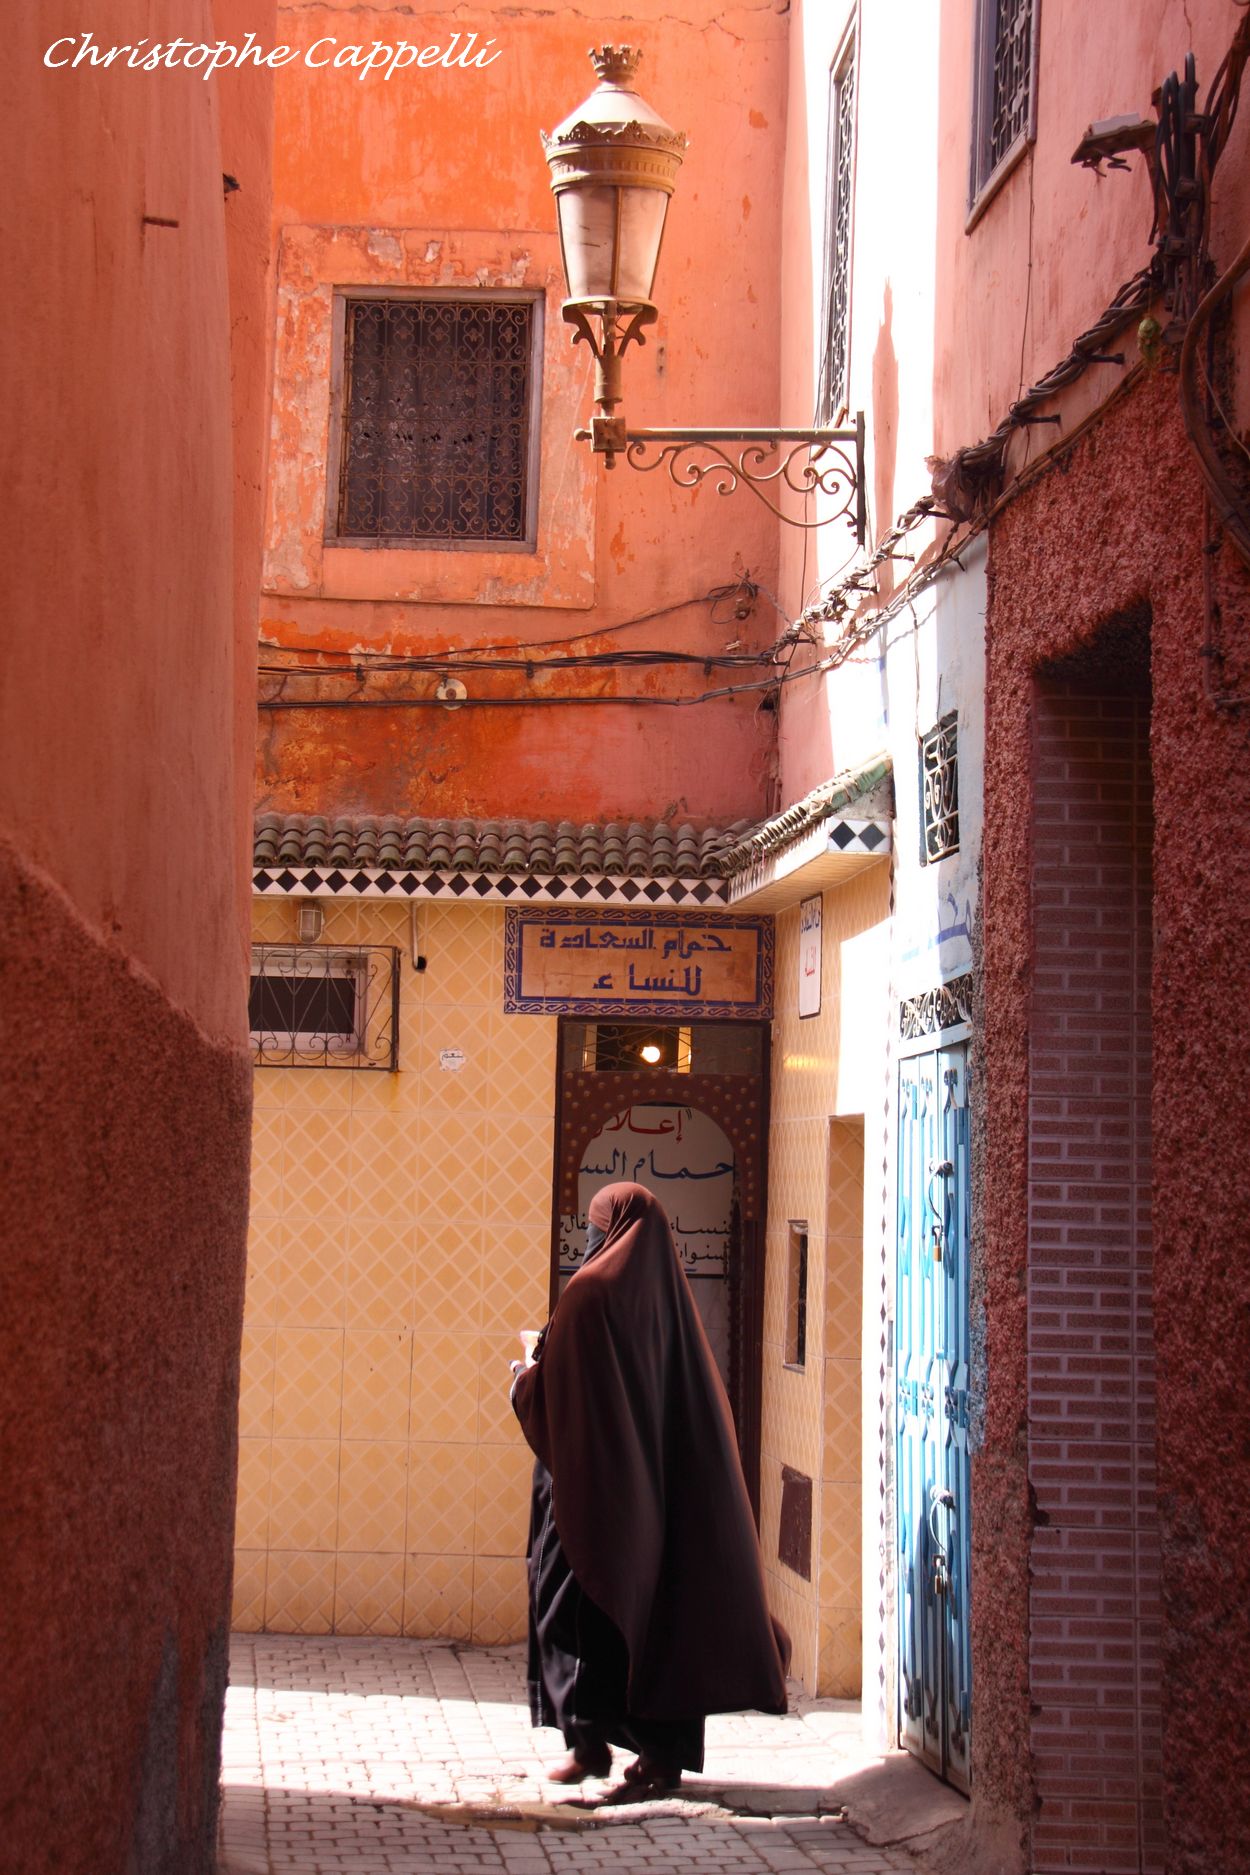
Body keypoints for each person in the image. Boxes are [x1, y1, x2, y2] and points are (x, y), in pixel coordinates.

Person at [510, 1181, 790, 1796]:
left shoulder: (587, 1294)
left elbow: (556, 1391)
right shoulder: (671, 1302)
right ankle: (655, 1758)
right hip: (667, 1505)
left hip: (593, 1502)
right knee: (667, 1619)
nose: (591, 1240)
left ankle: (589, 1740)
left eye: (594, 1227)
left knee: (572, 1612)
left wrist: (526, 1371)